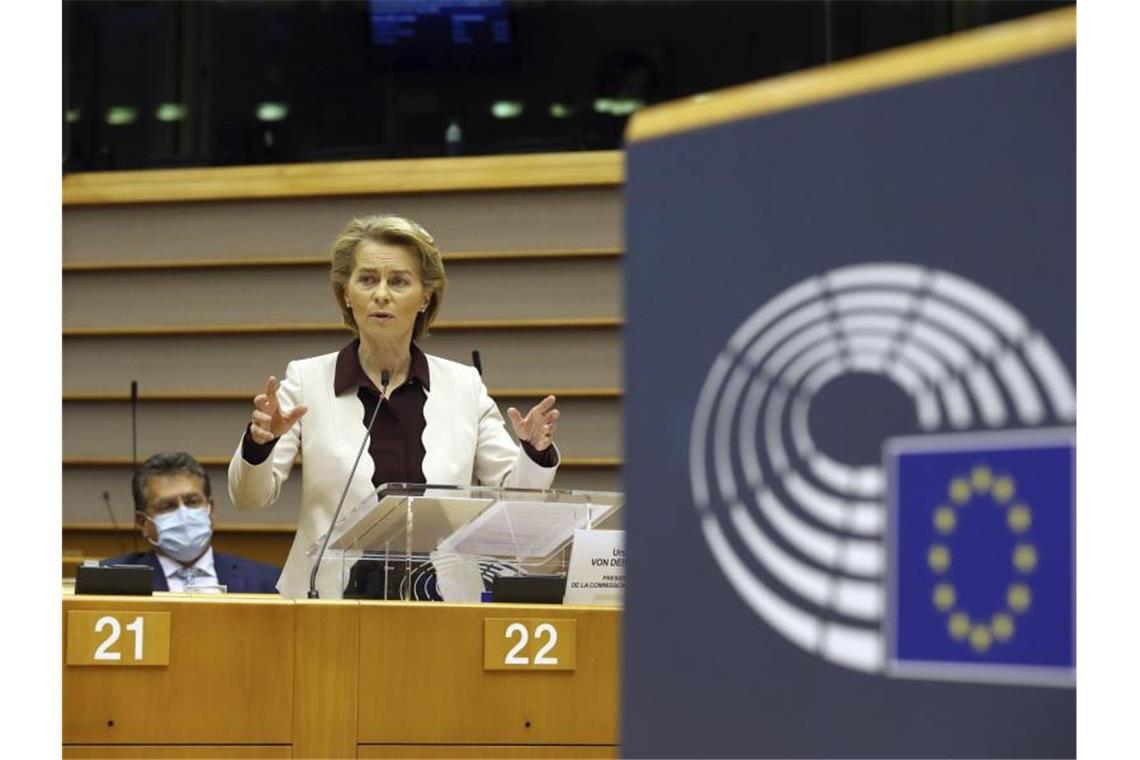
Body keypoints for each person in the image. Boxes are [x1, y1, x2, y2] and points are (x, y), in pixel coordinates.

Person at [228, 214, 561, 597]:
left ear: (425, 298)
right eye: (367, 279)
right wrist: (259, 445)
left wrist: (535, 453)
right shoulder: (306, 381)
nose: (381, 294)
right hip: (328, 602)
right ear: (346, 294)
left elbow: (511, 495)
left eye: (399, 281)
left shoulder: (463, 386)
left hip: (441, 601)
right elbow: (248, 497)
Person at [104, 451, 282, 593]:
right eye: (167, 506)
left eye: (192, 502)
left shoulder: (266, 582)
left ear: (210, 509)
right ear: (142, 522)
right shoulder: (109, 583)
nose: (184, 514)